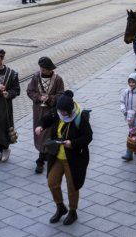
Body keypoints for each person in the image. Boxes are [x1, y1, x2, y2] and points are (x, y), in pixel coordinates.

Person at [35, 90, 92, 226]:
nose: (62, 114)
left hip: (73, 158)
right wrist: (40, 126)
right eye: (60, 111)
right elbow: (47, 118)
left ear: (71, 109)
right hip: (57, 156)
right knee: (52, 182)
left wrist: (72, 143)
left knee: (72, 186)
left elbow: (88, 137)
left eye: (65, 112)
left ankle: (73, 211)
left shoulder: (80, 118)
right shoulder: (57, 113)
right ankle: (60, 207)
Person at [27, 57, 65, 174]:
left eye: (44, 69)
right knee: (40, 132)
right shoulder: (35, 77)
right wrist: (38, 97)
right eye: (41, 69)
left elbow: (61, 95)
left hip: (51, 111)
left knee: (48, 133)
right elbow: (30, 91)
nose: (42, 71)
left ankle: (41, 159)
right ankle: (44, 154)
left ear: (50, 69)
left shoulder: (57, 79)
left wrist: (50, 98)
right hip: (38, 111)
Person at [120, 73, 136, 161]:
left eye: (133, 82)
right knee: (133, 132)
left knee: (132, 132)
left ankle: (129, 153)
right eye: (130, 82)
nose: (131, 84)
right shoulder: (126, 92)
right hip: (129, 117)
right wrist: (124, 110)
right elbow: (122, 102)